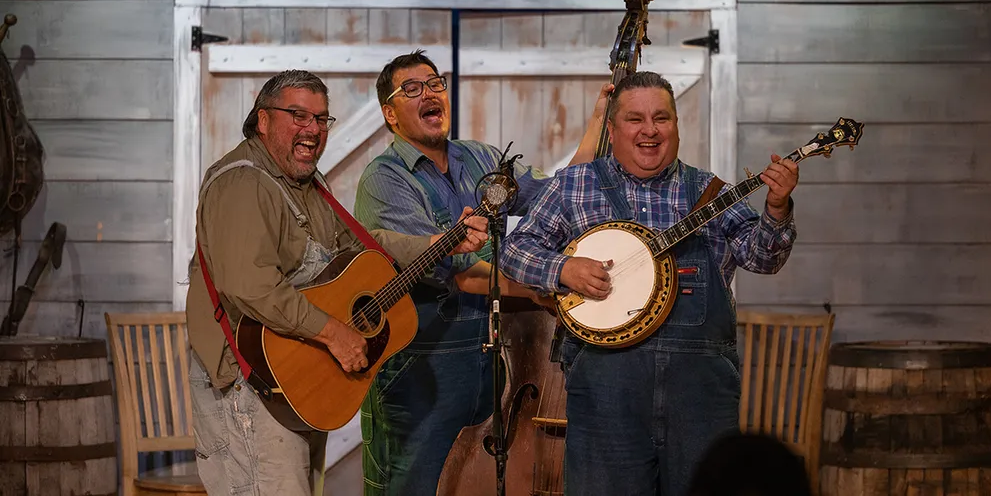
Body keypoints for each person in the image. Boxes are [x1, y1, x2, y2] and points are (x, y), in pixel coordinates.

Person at [184, 69, 490, 496]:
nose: (312, 129)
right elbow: (252, 288)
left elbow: (365, 247)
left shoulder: (305, 183)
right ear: (263, 120)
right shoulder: (241, 182)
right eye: (298, 115)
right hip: (248, 386)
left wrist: (441, 242)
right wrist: (335, 334)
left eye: (321, 119)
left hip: (295, 383)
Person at [499, 71, 800, 496]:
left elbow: (762, 258)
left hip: (699, 398)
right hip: (606, 395)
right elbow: (514, 251)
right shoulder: (574, 186)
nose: (650, 130)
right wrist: (563, 270)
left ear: (676, 125)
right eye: (635, 119)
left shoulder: (710, 192)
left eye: (662, 118)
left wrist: (777, 206)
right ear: (612, 128)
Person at [352, 49, 611, 495]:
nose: (430, 93)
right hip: (423, 366)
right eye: (411, 89)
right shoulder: (385, 179)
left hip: (492, 358)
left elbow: (558, 197)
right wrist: (542, 286)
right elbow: (460, 272)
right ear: (389, 114)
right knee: (415, 486)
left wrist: (598, 122)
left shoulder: (480, 158)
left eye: (435, 83)